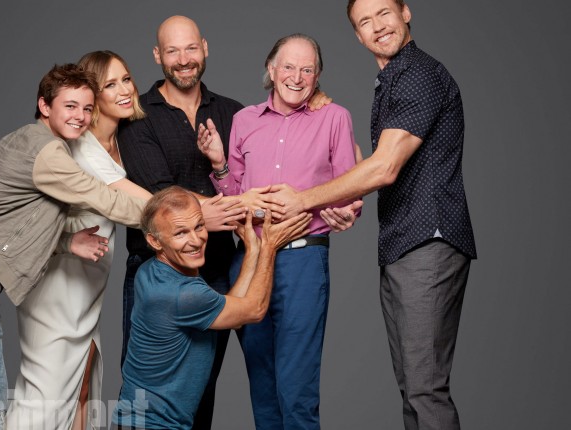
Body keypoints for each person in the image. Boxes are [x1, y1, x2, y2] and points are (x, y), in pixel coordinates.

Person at [268, 1, 478, 428]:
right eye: (365, 21)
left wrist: (304, 200)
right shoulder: (393, 79)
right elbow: (378, 164)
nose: (378, 26)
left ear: (406, 12)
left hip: (428, 241)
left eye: (384, 12)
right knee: (413, 388)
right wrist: (342, 191)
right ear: (358, 35)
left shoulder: (418, 74)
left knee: (424, 390)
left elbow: (384, 168)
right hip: (404, 244)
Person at [117, 16, 332, 427]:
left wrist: (314, 98)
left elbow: (269, 161)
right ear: (158, 55)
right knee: (151, 390)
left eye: (191, 48)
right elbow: (162, 197)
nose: (184, 59)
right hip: (161, 268)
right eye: (173, 51)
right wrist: (236, 204)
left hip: (219, 266)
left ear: (205, 48)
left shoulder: (236, 113)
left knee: (201, 387)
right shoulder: (138, 117)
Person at [0, 63, 146, 430]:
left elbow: (13, 227)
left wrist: (69, 241)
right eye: (70, 106)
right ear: (44, 105)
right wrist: (172, 219)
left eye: (87, 108)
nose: (81, 116)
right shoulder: (45, 152)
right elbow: (103, 198)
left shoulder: (36, 144)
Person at [197, 33, 362, 429]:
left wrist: (346, 210)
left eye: (307, 69)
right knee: (263, 381)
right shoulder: (244, 120)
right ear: (271, 70)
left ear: (317, 76)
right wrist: (219, 166)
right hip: (250, 259)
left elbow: (349, 187)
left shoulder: (335, 118)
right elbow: (235, 198)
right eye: (288, 67)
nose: (296, 77)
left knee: (297, 385)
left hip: (303, 258)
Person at [7, 52, 152, 430]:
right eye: (110, 84)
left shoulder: (123, 140)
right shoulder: (80, 143)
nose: (124, 90)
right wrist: (196, 216)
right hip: (59, 279)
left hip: (88, 284)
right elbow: (136, 202)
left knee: (84, 383)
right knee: (44, 395)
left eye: (126, 79)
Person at [111, 186, 313, 430]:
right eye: (181, 233)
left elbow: (232, 309)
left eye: (199, 226)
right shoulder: (182, 294)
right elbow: (254, 310)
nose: (196, 241)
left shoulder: (151, 271)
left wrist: (253, 250)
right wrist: (269, 247)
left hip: (136, 419)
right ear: (154, 241)